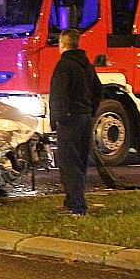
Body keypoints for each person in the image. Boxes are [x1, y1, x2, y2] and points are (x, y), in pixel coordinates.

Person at [49, 28, 102, 217]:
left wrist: (57, 119)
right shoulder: (87, 65)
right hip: (85, 118)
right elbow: (99, 91)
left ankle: (77, 207)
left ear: (62, 45)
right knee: (79, 162)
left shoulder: (64, 65)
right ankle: (72, 201)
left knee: (68, 164)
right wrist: (91, 111)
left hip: (69, 120)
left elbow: (58, 96)